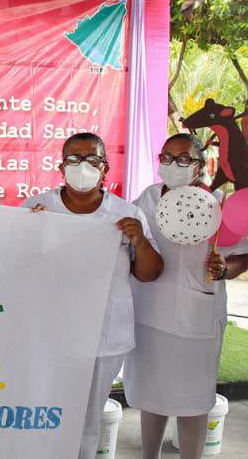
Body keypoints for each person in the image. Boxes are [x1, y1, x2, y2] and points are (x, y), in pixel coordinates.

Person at [21, 132, 163, 459]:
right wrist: (27, 229)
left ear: (105, 168)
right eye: (74, 159)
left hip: (104, 336)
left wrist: (139, 240)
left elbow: (150, 273)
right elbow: (15, 263)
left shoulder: (126, 214)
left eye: (92, 159)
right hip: (49, 335)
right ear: (61, 166)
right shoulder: (38, 208)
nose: (82, 166)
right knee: (43, 409)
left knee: (87, 418)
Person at [123, 134, 248, 459]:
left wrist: (225, 268)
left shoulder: (217, 203)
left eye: (183, 159)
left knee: (193, 399)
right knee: (152, 394)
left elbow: (243, 255)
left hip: (196, 318)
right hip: (149, 313)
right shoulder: (147, 199)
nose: (173, 165)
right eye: (166, 157)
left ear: (199, 165)